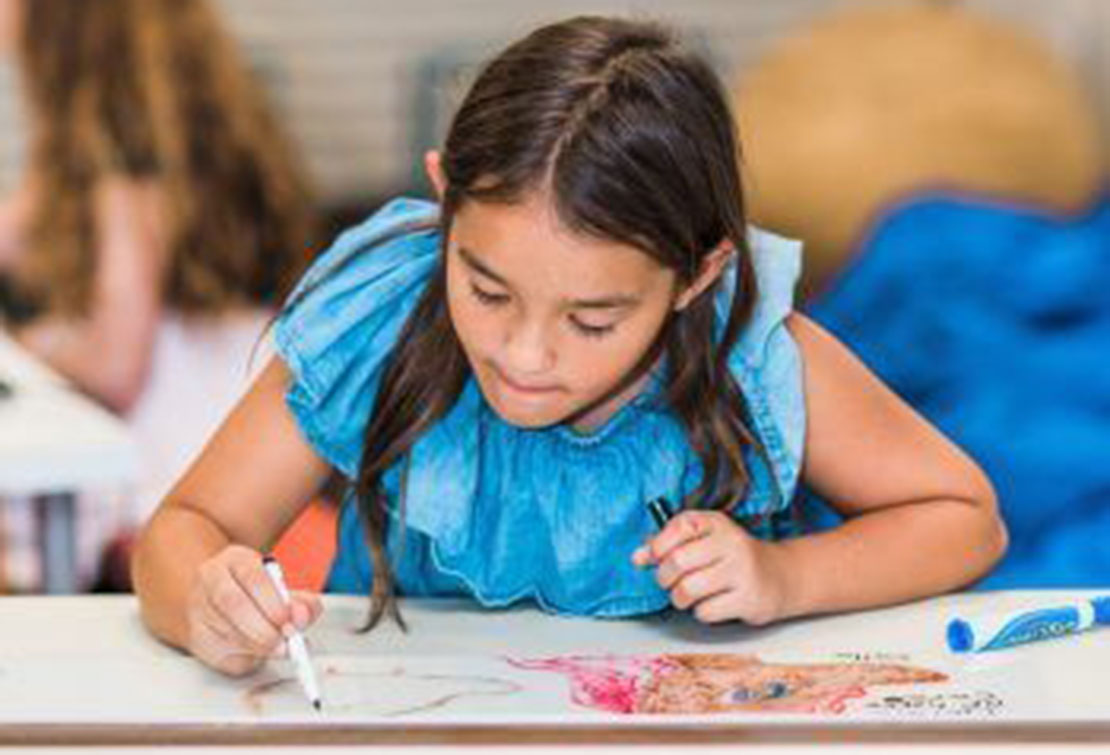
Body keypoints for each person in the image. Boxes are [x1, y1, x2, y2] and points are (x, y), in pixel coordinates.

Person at [133, 16, 1007, 677]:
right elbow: (185, 529)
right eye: (484, 287)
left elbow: (963, 519)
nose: (524, 353)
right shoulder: (381, 315)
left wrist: (784, 575)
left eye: (592, 321)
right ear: (443, 203)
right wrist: (206, 602)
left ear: (698, 277)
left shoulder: (753, 352)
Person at [0, 0, 315, 590]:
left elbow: (115, 363)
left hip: (192, 453)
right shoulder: (180, 129)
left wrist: (30, 346)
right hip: (248, 411)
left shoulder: (123, 153)